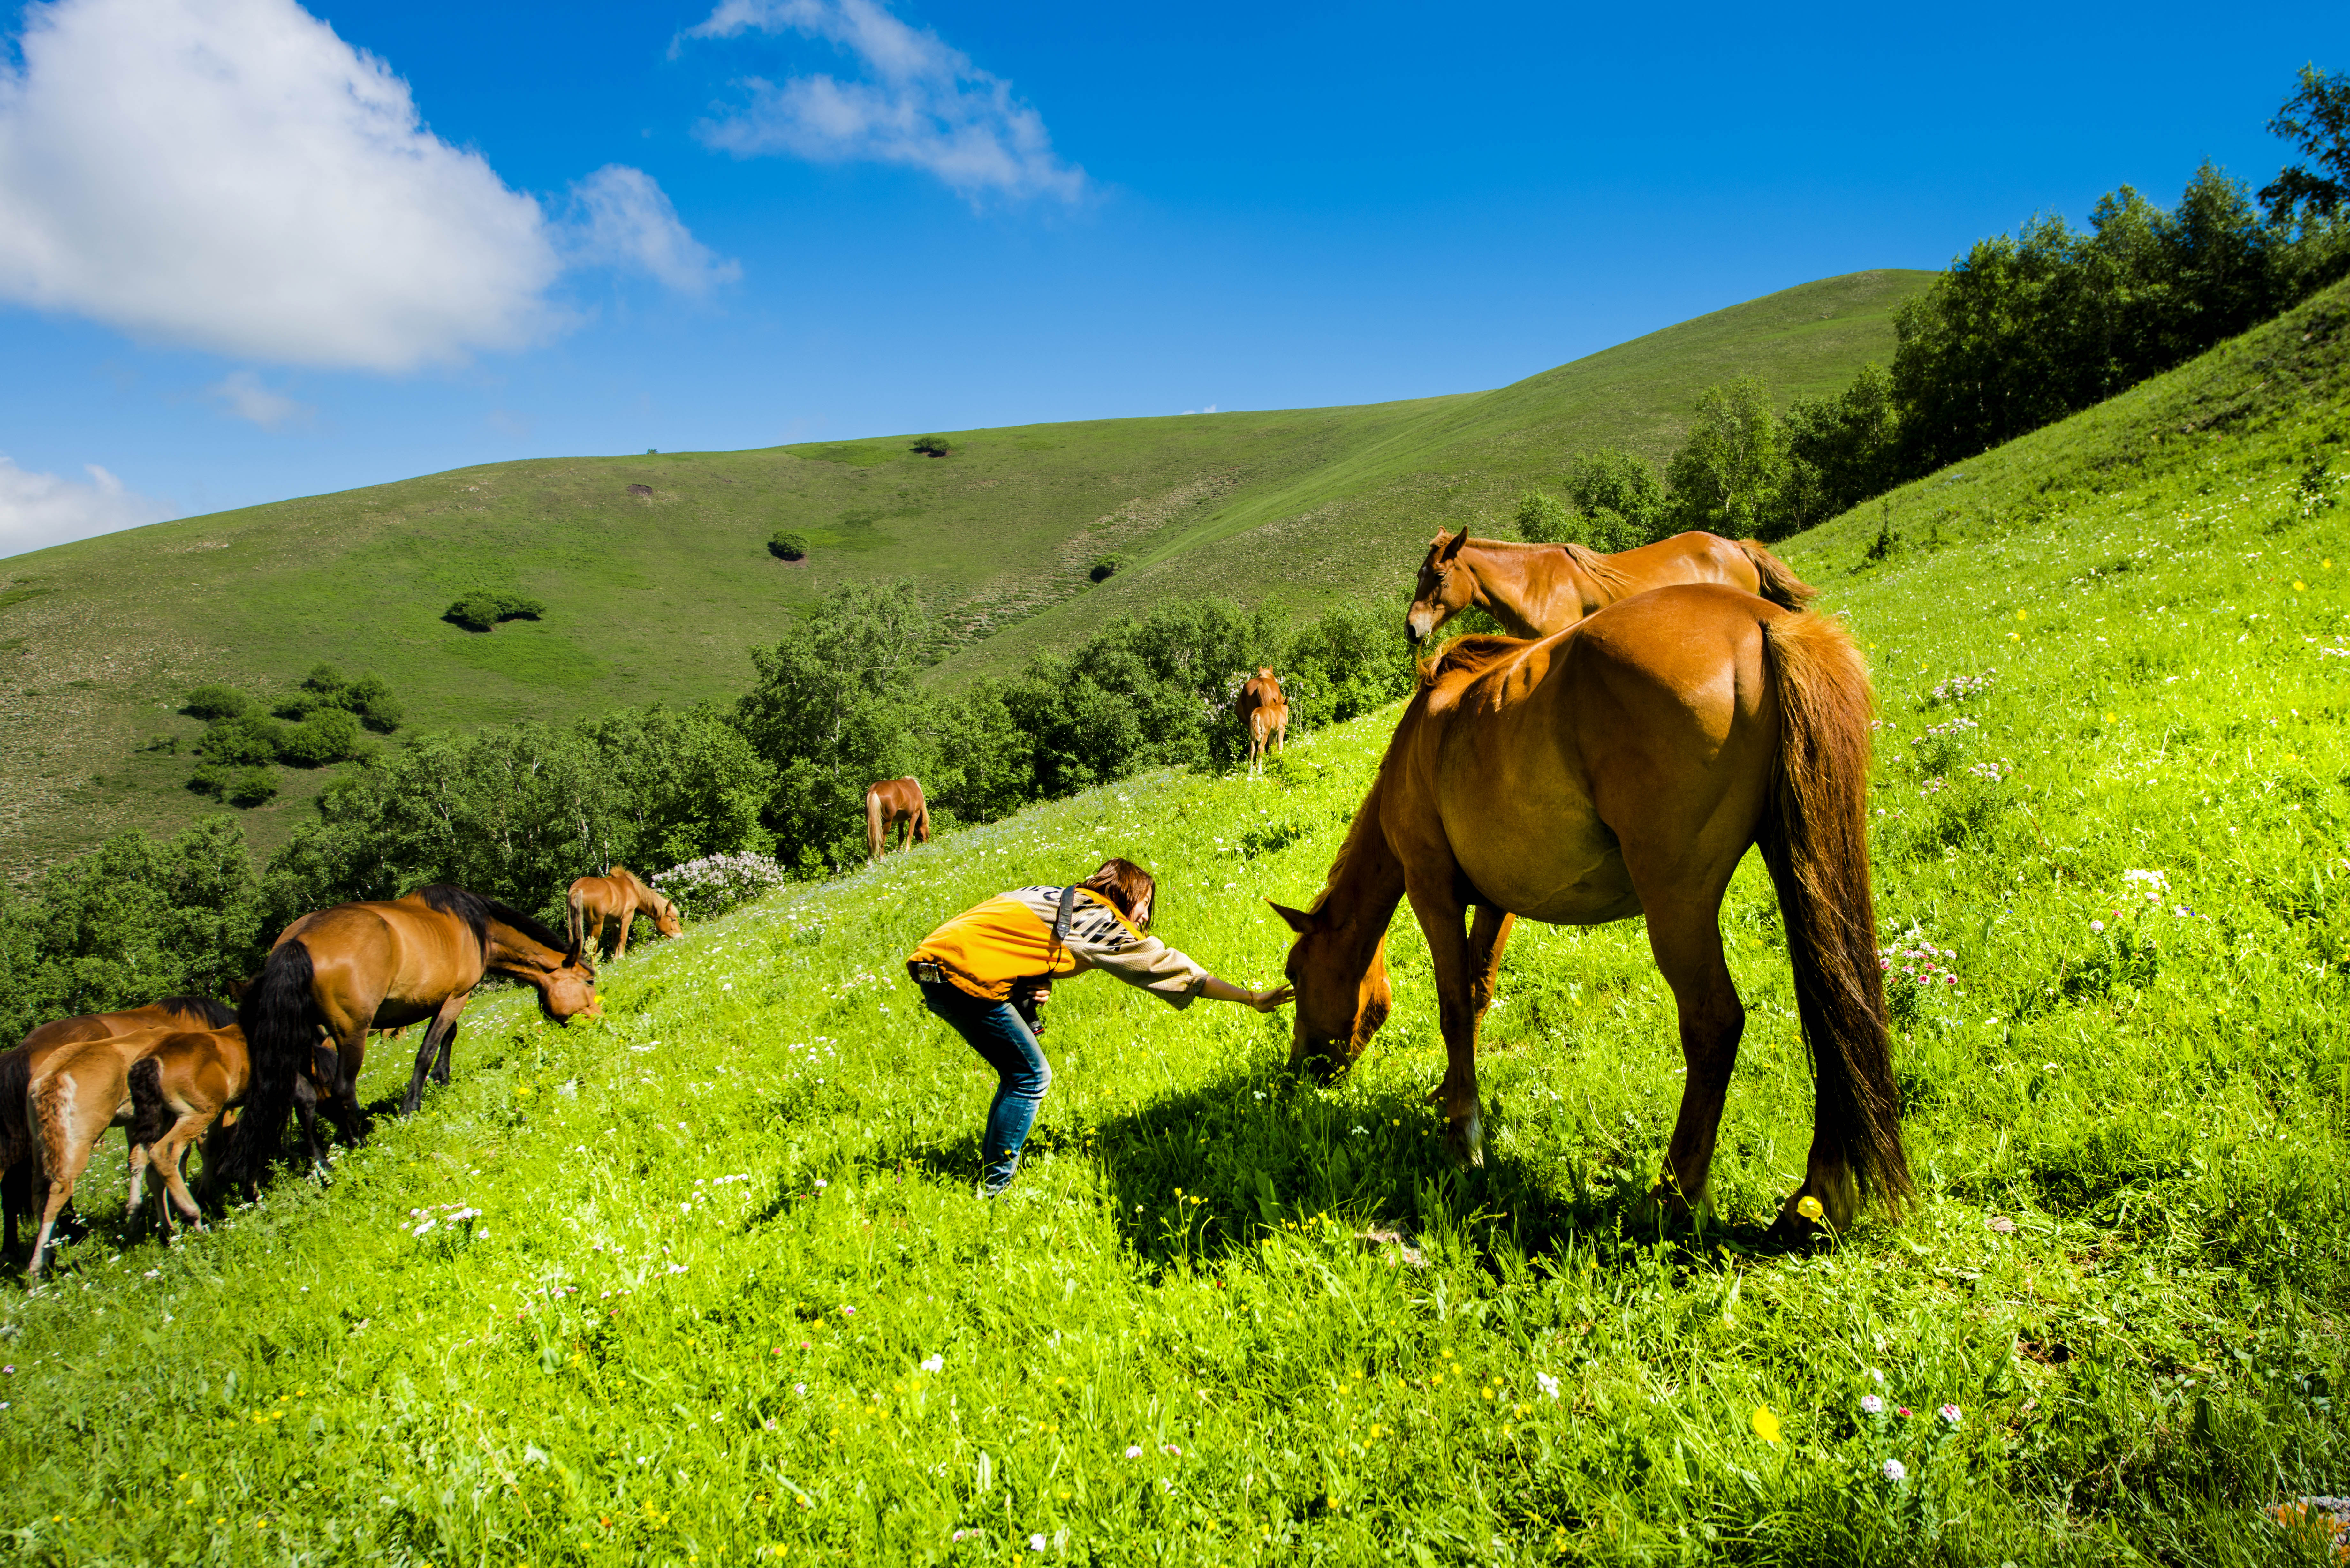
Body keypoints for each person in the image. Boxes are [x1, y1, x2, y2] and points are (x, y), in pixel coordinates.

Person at [906, 857, 1292, 1196]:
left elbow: (1004, 935)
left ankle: (993, 1170)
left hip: (938, 965)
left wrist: (1027, 981)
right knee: (1030, 1077)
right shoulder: (1100, 920)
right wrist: (1249, 997)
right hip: (962, 974)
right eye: (1144, 904)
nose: (1145, 917)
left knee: (1016, 1074)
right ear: (1127, 893)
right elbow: (1167, 966)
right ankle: (995, 1189)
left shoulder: (1059, 898)